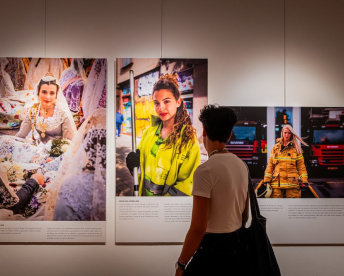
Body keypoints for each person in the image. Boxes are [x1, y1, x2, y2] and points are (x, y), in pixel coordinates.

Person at [176, 105, 249, 276]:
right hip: (236, 246)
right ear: (229, 135)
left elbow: (198, 229)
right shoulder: (241, 165)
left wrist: (181, 264)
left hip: (212, 249)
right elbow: (245, 215)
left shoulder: (205, 171)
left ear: (204, 133)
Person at [126, 73, 200, 196]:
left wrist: (162, 208)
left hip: (167, 211)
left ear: (178, 102)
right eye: (156, 103)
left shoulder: (189, 141)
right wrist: (133, 167)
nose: (161, 108)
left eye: (166, 101)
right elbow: (141, 173)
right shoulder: (148, 133)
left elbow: (186, 187)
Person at [16, 75, 76, 145]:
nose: (47, 97)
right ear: (38, 93)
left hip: (56, 152)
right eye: (44, 92)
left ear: (56, 95)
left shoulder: (62, 114)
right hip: (37, 150)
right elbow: (21, 135)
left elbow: (68, 142)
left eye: (52, 93)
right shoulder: (34, 110)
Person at [263, 124, 309, 198]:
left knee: (292, 207)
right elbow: (270, 165)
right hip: (277, 184)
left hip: (292, 184)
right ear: (282, 133)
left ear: (291, 134)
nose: (287, 135)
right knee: (278, 207)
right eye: (285, 133)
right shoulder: (275, 148)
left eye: (289, 133)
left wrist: (304, 180)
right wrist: (266, 180)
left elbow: (301, 166)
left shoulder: (296, 149)